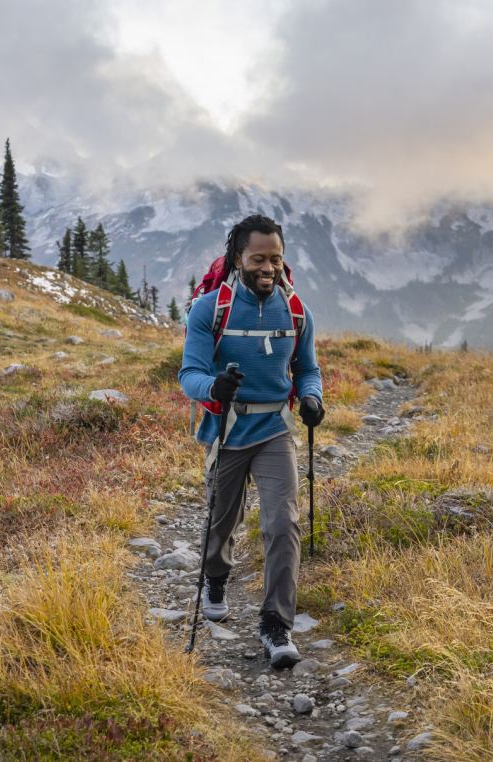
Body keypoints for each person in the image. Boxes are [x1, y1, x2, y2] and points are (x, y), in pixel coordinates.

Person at [179, 214, 324, 669]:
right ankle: (216, 577)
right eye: (258, 258)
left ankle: (275, 624)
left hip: (275, 430)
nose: (268, 268)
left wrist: (312, 397)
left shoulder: (296, 311)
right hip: (227, 431)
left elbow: (307, 369)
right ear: (237, 258)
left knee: (282, 523)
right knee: (224, 517)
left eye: (275, 259)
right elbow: (190, 375)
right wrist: (212, 388)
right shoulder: (210, 310)